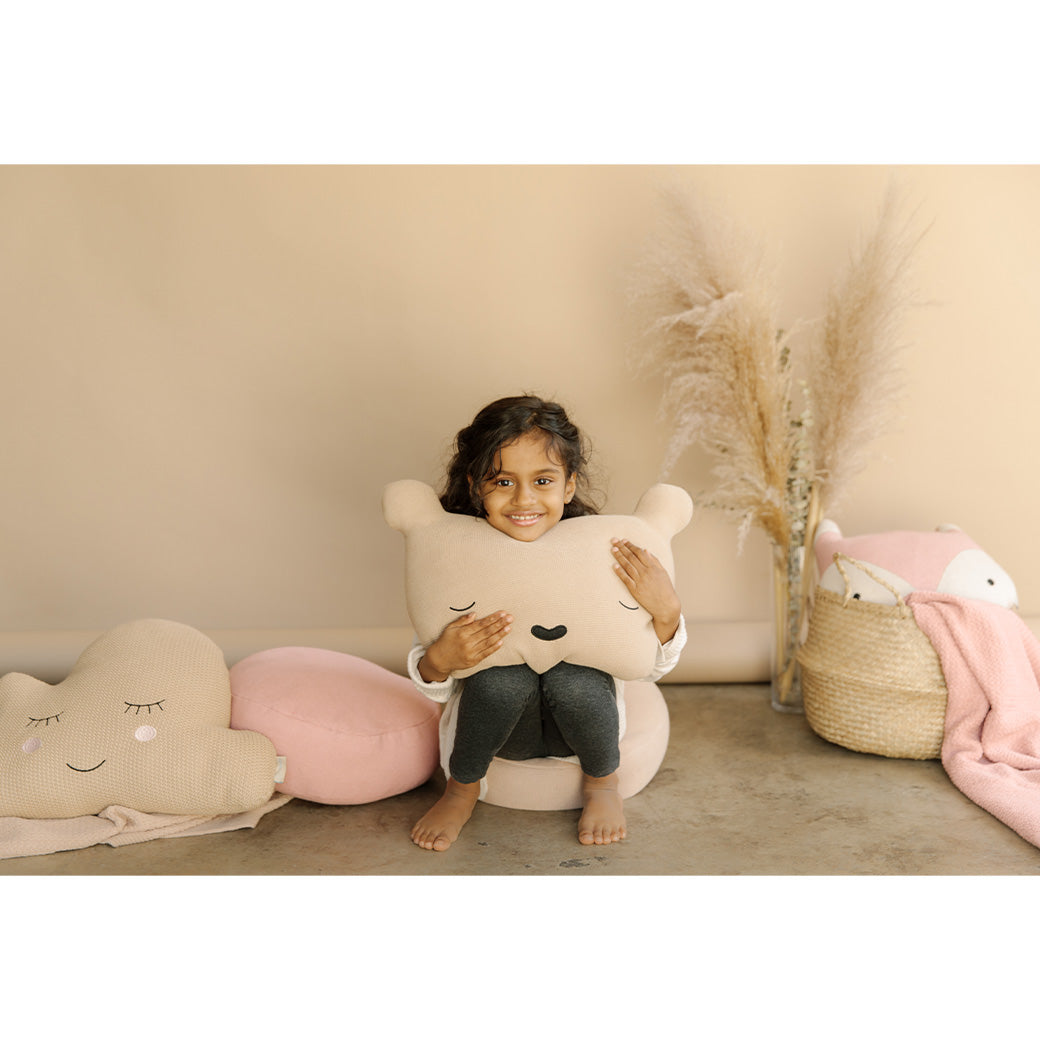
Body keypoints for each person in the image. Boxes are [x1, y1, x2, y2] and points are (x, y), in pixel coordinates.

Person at [407, 394, 686, 851]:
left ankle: (603, 783)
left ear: (569, 486)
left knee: (574, 679)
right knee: (501, 680)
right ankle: (461, 789)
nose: (524, 499)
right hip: (499, 729)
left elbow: (648, 668)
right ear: (476, 486)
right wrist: (439, 659)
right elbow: (432, 681)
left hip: (581, 726)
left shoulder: (599, 555)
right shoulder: (459, 557)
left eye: (542, 480)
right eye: (503, 481)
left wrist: (667, 611)